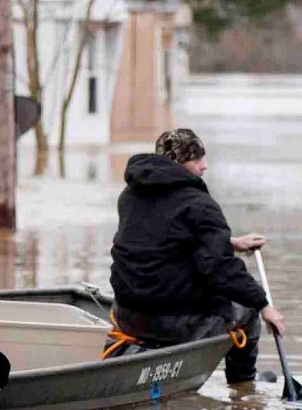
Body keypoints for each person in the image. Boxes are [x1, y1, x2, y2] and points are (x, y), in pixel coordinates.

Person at [105, 128, 286, 385]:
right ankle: (243, 387)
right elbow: (220, 269)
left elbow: (160, 243)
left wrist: (229, 243)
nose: (204, 166)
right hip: (173, 322)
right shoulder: (199, 204)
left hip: (127, 316)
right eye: (197, 159)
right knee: (246, 311)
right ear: (178, 164)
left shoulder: (130, 196)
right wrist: (264, 305)